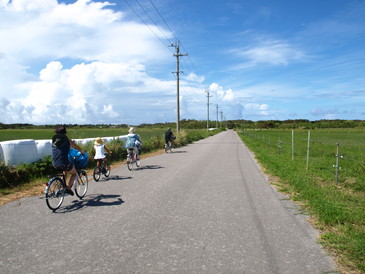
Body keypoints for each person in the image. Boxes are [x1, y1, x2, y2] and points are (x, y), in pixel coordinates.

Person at [51, 126, 84, 196]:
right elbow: (75, 146)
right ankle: (68, 188)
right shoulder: (66, 140)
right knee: (74, 173)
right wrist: (81, 151)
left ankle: (63, 185)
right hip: (63, 162)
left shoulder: (54, 139)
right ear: (65, 133)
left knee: (65, 170)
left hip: (54, 162)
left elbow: (61, 148)